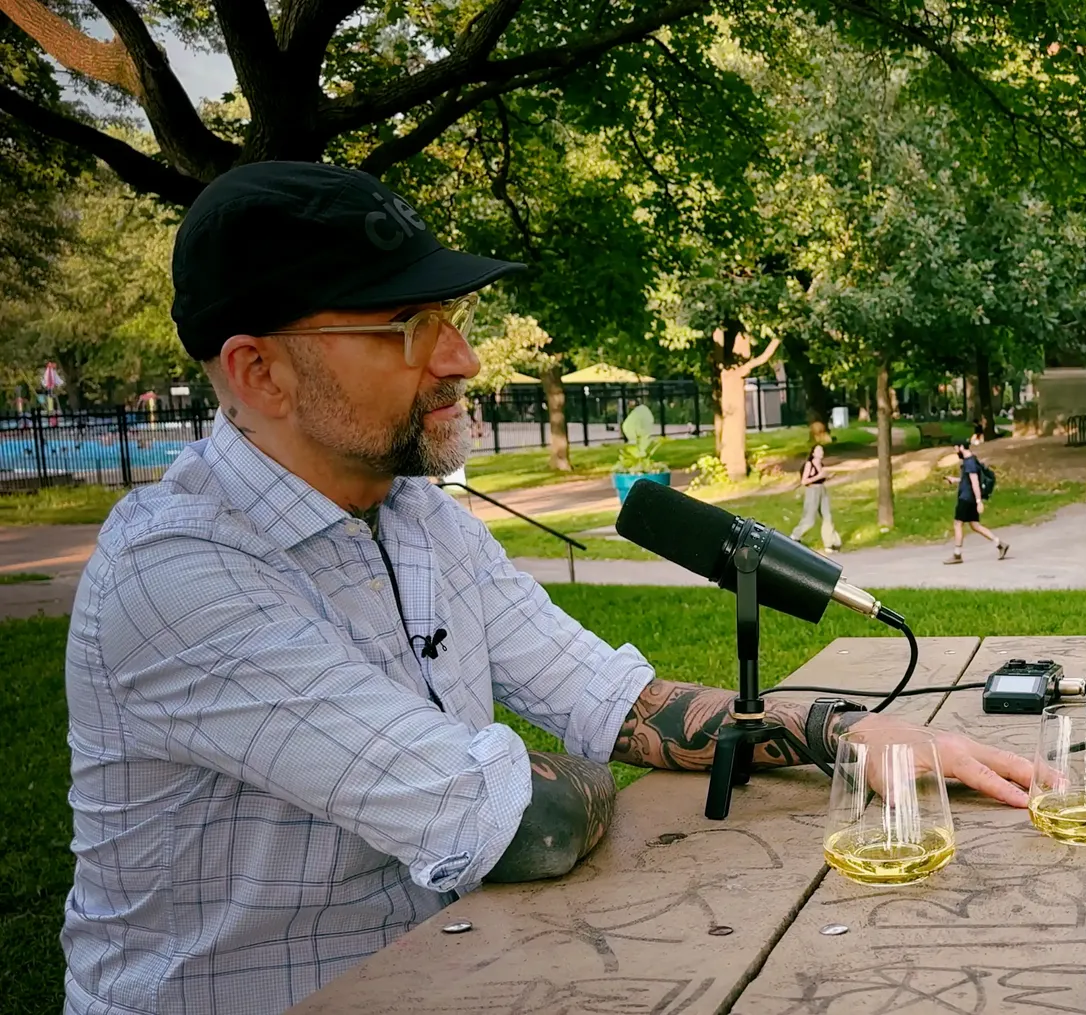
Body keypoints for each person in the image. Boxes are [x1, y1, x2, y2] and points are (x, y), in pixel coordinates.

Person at [62, 162, 1033, 1015]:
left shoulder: (420, 517)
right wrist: (534, 776)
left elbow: (619, 706)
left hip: (457, 971)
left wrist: (845, 733)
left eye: (453, 319)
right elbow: (530, 823)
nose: (462, 360)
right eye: (408, 327)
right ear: (259, 370)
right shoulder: (176, 575)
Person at [943, 441, 1008, 564]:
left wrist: (979, 501)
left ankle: (957, 555)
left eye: (956, 448)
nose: (956, 451)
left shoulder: (970, 463)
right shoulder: (970, 460)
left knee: (957, 524)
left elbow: (975, 483)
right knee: (975, 525)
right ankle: (1000, 544)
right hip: (969, 497)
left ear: (962, 447)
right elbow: (967, 480)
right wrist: (955, 480)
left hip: (967, 498)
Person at [791, 443, 840, 553]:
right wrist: (819, 476)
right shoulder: (809, 464)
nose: (821, 452)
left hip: (822, 490)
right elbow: (804, 481)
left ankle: (830, 543)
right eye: (818, 450)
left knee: (827, 516)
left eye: (822, 450)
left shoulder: (820, 464)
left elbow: (821, 478)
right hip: (812, 491)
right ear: (813, 453)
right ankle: (795, 536)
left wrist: (828, 477)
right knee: (810, 518)